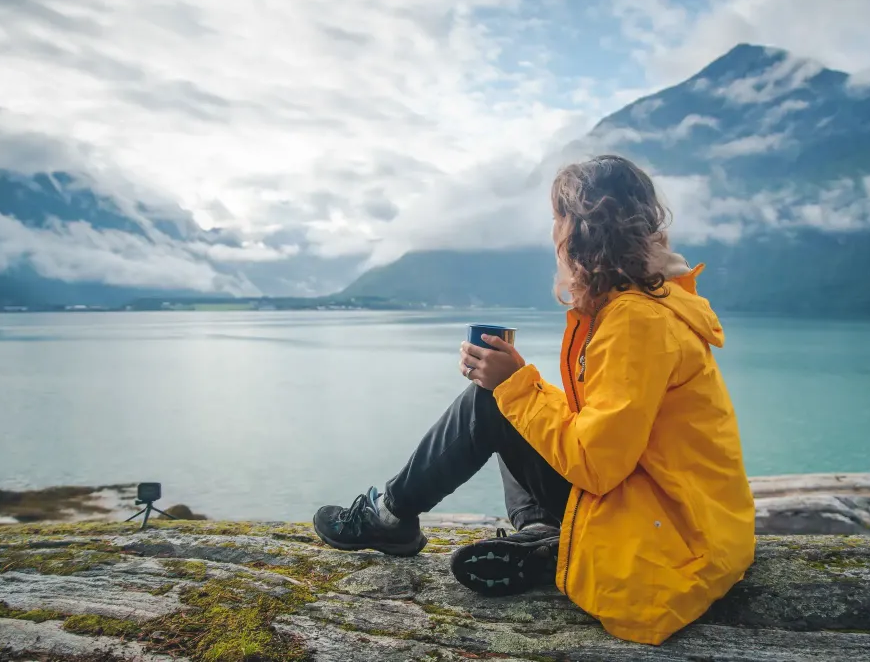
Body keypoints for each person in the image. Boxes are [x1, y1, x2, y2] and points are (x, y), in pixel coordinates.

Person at [313, 154, 756, 646]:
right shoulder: (651, 304)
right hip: (684, 517)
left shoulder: (635, 322)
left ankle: (392, 517)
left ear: (582, 231)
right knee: (513, 404)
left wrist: (514, 384)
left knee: (496, 404)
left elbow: (596, 464)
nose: (553, 234)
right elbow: (603, 430)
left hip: (668, 538)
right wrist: (515, 383)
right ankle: (549, 535)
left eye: (557, 218)